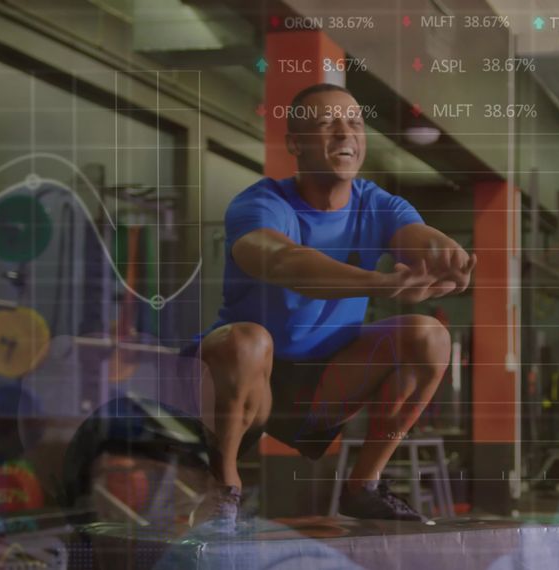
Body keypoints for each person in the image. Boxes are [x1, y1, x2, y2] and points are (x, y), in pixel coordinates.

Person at [191, 83, 475, 530]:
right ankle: (223, 488)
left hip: (325, 383)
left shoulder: (378, 204)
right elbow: (286, 262)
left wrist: (447, 255)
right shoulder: (260, 203)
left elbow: (415, 237)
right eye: (327, 124)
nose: (345, 133)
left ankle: (364, 487)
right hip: (247, 382)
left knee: (430, 335)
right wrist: (379, 283)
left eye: (355, 124)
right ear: (295, 144)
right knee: (247, 340)